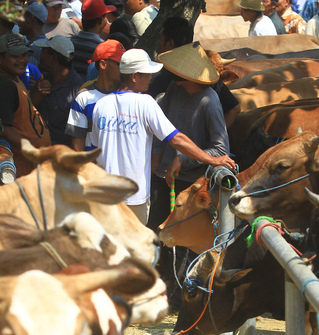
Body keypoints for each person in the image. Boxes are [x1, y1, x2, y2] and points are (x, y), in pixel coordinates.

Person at [90, 49, 235, 224]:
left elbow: (95, 151)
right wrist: (212, 160)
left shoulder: (100, 105)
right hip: (145, 187)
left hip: (110, 192)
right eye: (147, 74)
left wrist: (182, 159)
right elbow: (170, 136)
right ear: (135, 77)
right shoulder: (155, 98)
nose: (152, 78)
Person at [147, 17, 240, 129]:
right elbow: (234, 109)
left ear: (170, 43)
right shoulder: (204, 74)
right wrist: (213, 138)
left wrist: (214, 139)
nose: (157, 43)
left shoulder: (154, 76)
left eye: (160, 39)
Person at [0, 33, 51, 174]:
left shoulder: (14, 79)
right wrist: (31, 149)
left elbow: (23, 111)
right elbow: (4, 127)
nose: (22, 60)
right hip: (23, 168)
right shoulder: (3, 85)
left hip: (32, 165)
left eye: (24, 55)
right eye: (15, 56)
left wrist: (39, 93)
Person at [68, 39, 125, 151]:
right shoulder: (83, 98)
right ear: (103, 64)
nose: (124, 68)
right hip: (93, 167)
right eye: (120, 64)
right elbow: (77, 142)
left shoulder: (132, 96)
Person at [34, 36, 84, 145]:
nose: (40, 56)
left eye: (44, 52)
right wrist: (38, 94)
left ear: (53, 58)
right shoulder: (43, 79)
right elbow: (28, 109)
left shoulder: (77, 90)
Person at [71, 0, 113, 77]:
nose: (107, 21)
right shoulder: (102, 49)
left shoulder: (69, 43)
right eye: (106, 17)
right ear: (100, 21)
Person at [21, 1, 48, 66]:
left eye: (21, 15)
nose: (18, 20)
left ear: (30, 18)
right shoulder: (45, 43)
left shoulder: (34, 49)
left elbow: (29, 75)